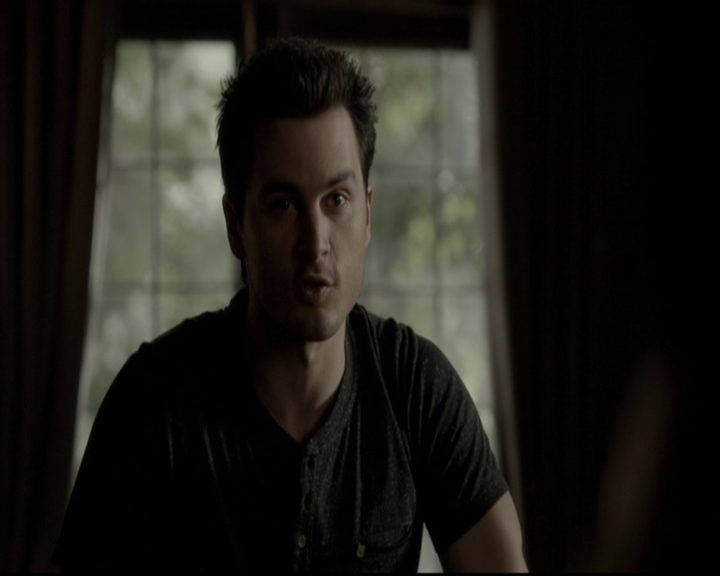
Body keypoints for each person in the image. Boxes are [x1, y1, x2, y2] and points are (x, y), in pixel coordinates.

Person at [53, 37, 527, 572]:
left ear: (367, 214)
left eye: (337, 200)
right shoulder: (155, 401)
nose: (315, 242)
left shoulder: (415, 388)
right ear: (236, 226)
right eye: (283, 205)